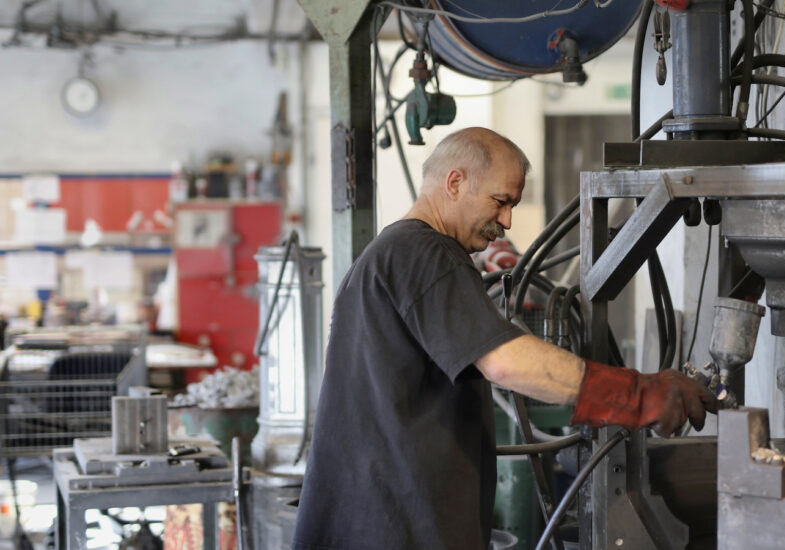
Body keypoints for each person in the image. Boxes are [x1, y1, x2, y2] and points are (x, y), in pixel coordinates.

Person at [292, 127, 716, 550]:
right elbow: (506, 361)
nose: (508, 220)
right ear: (454, 182)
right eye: (501, 201)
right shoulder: (425, 253)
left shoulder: (391, 253)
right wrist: (639, 395)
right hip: (393, 529)